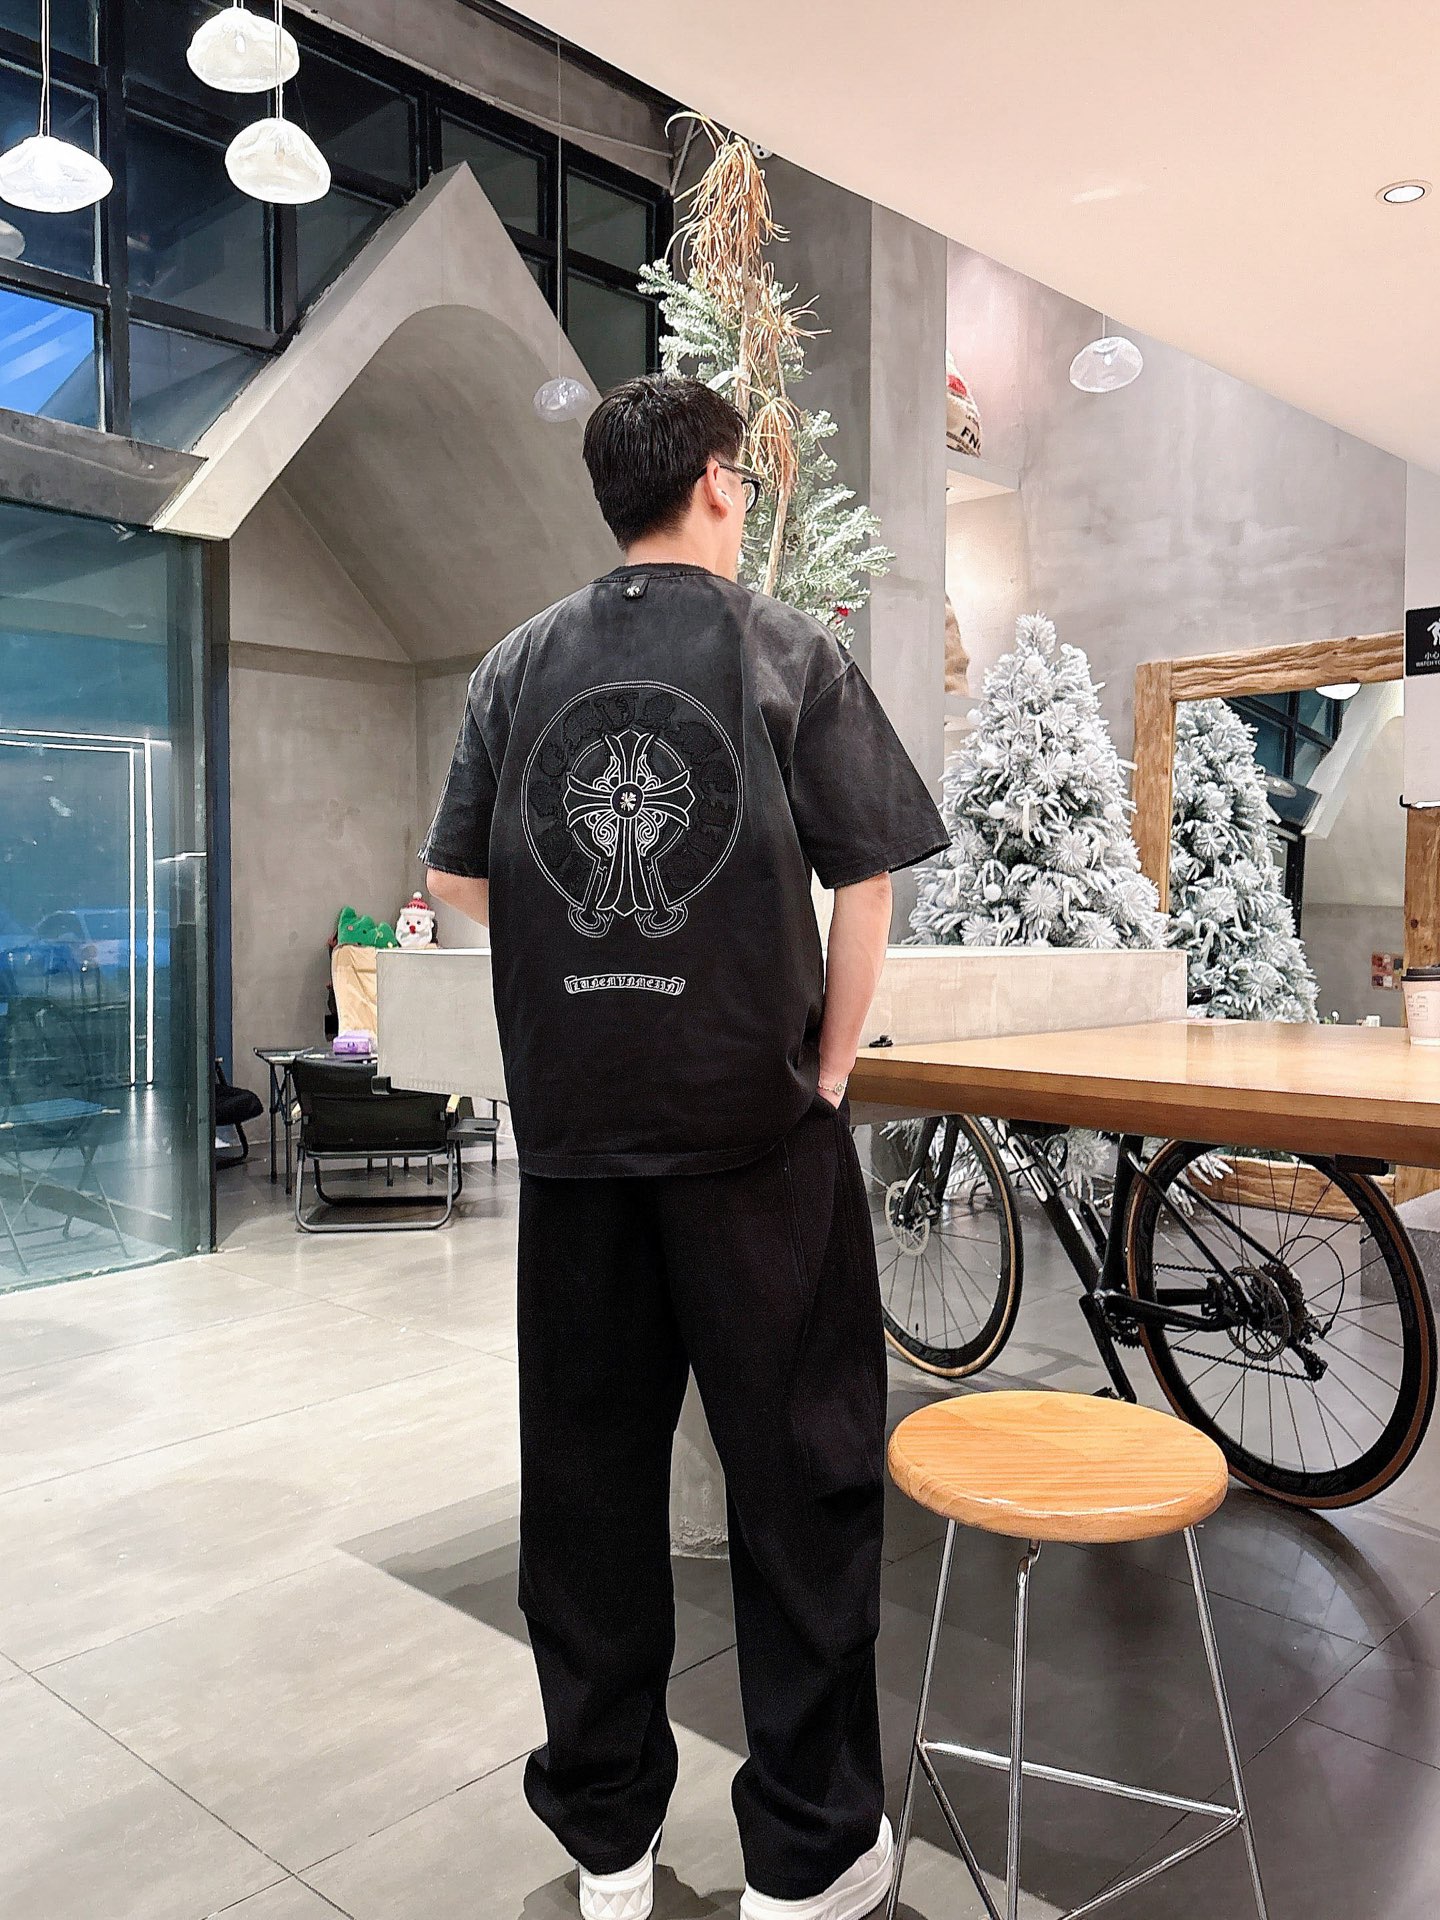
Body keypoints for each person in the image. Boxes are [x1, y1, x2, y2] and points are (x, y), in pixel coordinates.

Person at [423, 375, 948, 1920]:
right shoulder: (789, 651)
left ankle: (607, 1852)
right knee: (803, 1488)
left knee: (585, 1500)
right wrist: (830, 1068)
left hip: (578, 1146)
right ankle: (808, 1858)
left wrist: (584, 959)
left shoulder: (515, 666)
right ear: (719, 482)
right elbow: (867, 879)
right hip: (756, 1143)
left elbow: (454, 881)